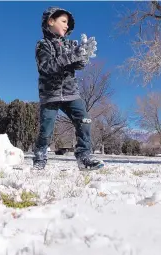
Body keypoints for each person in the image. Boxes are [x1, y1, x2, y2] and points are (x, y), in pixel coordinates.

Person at [33, 7, 104, 171]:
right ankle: (40, 158)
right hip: (50, 94)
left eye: (68, 23)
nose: (67, 26)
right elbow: (46, 67)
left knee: (84, 120)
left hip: (71, 93)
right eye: (63, 21)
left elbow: (77, 65)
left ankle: (84, 157)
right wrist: (72, 55)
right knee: (46, 127)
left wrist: (83, 55)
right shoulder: (43, 45)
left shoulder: (70, 44)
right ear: (51, 21)